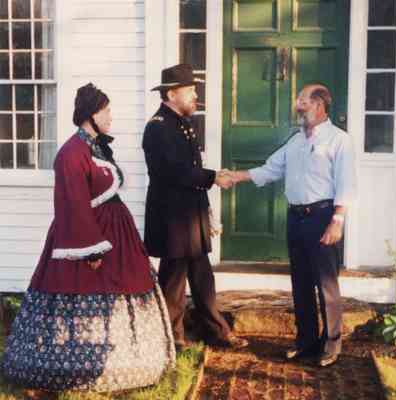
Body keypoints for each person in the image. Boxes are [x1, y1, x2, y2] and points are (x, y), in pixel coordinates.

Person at [1, 83, 175, 392]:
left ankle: (134, 361)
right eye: (105, 111)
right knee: (83, 290)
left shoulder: (96, 147)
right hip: (89, 239)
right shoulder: (71, 153)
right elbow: (73, 205)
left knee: (129, 284)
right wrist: (90, 251)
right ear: (90, 114)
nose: (110, 116)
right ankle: (72, 370)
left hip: (116, 236)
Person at [227, 84, 356, 367]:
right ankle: (306, 342)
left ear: (319, 106)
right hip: (296, 219)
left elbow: (346, 184)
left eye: (302, 101)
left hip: (322, 217)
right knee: (301, 283)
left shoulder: (339, 140)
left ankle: (331, 345)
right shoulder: (296, 141)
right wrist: (235, 176)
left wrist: (337, 221)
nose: (297, 105)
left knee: (326, 284)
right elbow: (270, 169)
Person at [142, 64, 247, 351]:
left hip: (190, 214)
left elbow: (189, 168)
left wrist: (206, 206)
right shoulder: (158, 128)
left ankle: (216, 332)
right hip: (173, 218)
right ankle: (171, 339)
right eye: (190, 90)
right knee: (174, 281)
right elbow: (175, 171)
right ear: (172, 94)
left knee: (202, 277)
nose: (195, 96)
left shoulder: (181, 123)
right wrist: (214, 178)